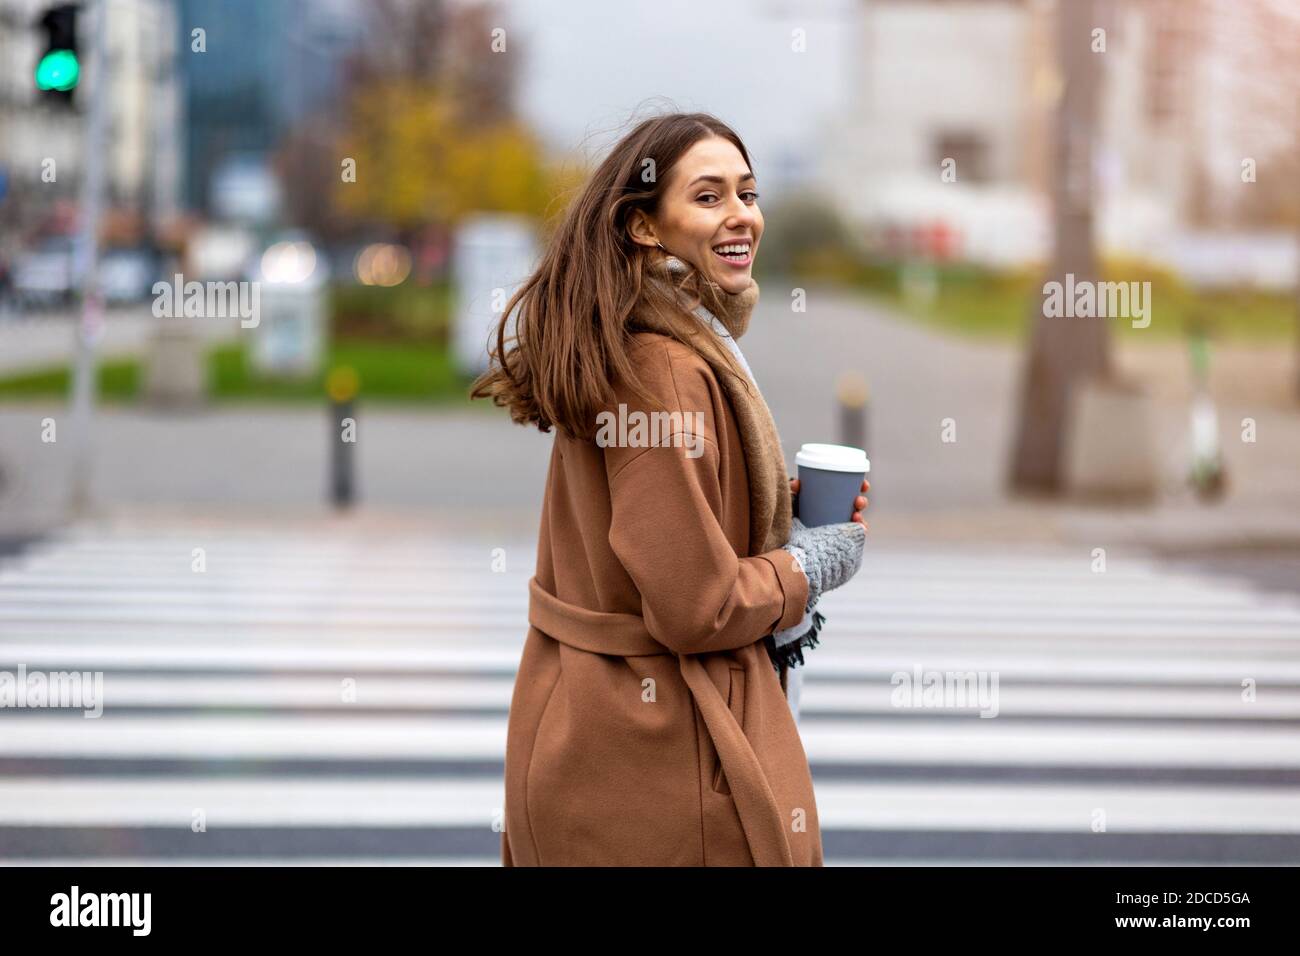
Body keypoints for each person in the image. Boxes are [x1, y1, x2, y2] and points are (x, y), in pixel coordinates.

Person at [470, 111, 869, 866]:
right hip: (659, 762)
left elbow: (652, 519)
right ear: (645, 229)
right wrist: (807, 566)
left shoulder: (632, 338)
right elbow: (695, 605)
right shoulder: (668, 368)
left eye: (747, 194)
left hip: (586, 737)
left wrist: (764, 505)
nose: (741, 216)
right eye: (709, 197)